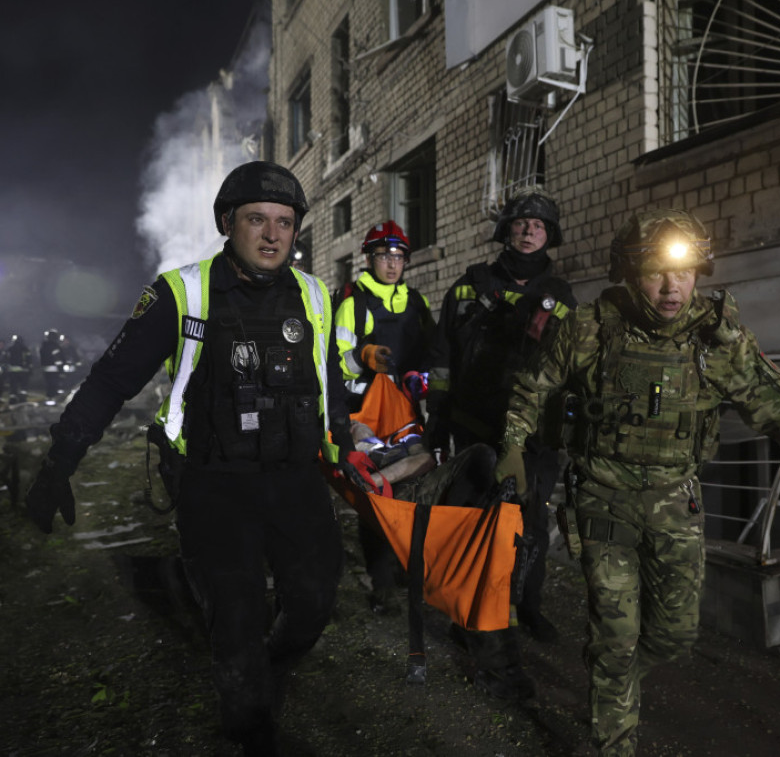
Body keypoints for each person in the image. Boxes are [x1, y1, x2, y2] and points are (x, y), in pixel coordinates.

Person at [494, 208, 780, 756]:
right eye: (656, 272)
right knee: (616, 637)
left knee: (674, 635)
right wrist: (513, 444)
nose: (671, 288)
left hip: (674, 503)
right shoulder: (591, 327)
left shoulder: (716, 340)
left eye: (683, 272)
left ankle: (616, 676)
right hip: (603, 499)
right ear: (630, 272)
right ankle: (614, 731)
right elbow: (532, 386)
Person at [24, 161, 360, 757]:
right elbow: (110, 381)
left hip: (294, 481)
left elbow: (327, 379)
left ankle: (270, 668)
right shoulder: (180, 292)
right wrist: (60, 461)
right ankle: (250, 731)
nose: (273, 235)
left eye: (285, 222)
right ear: (227, 222)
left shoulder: (313, 294)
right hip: (214, 485)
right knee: (236, 621)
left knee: (313, 602)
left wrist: (345, 446)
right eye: (257, 219)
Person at [426, 186, 577, 698]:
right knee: (474, 524)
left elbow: (572, 367)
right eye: (521, 223)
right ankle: (465, 613)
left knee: (529, 527)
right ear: (506, 231)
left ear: (549, 236)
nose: (530, 231)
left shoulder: (561, 295)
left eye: (539, 226)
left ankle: (526, 607)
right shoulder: (470, 287)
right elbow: (442, 357)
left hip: (534, 436)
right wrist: (437, 418)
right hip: (474, 427)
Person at [334, 220, 435, 613]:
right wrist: (361, 358)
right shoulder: (354, 305)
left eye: (398, 256)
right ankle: (382, 582)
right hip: (363, 413)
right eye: (383, 256)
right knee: (375, 500)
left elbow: (430, 353)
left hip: (405, 412)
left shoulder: (416, 304)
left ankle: (405, 566)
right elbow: (334, 367)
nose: (392, 264)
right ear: (368, 259)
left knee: (414, 487)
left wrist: (421, 378)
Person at [39, 328, 68, 401]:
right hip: (55, 368)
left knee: (49, 384)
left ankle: (49, 397)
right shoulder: (55, 346)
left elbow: (42, 358)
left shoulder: (44, 346)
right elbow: (59, 359)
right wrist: (61, 369)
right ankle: (53, 398)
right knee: (54, 384)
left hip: (45, 368)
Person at [4, 333, 34, 400]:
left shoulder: (10, 349)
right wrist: (30, 369)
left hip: (12, 371)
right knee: (23, 386)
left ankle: (13, 398)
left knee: (13, 386)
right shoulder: (25, 349)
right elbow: (29, 360)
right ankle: (23, 398)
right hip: (23, 371)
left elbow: (6, 359)